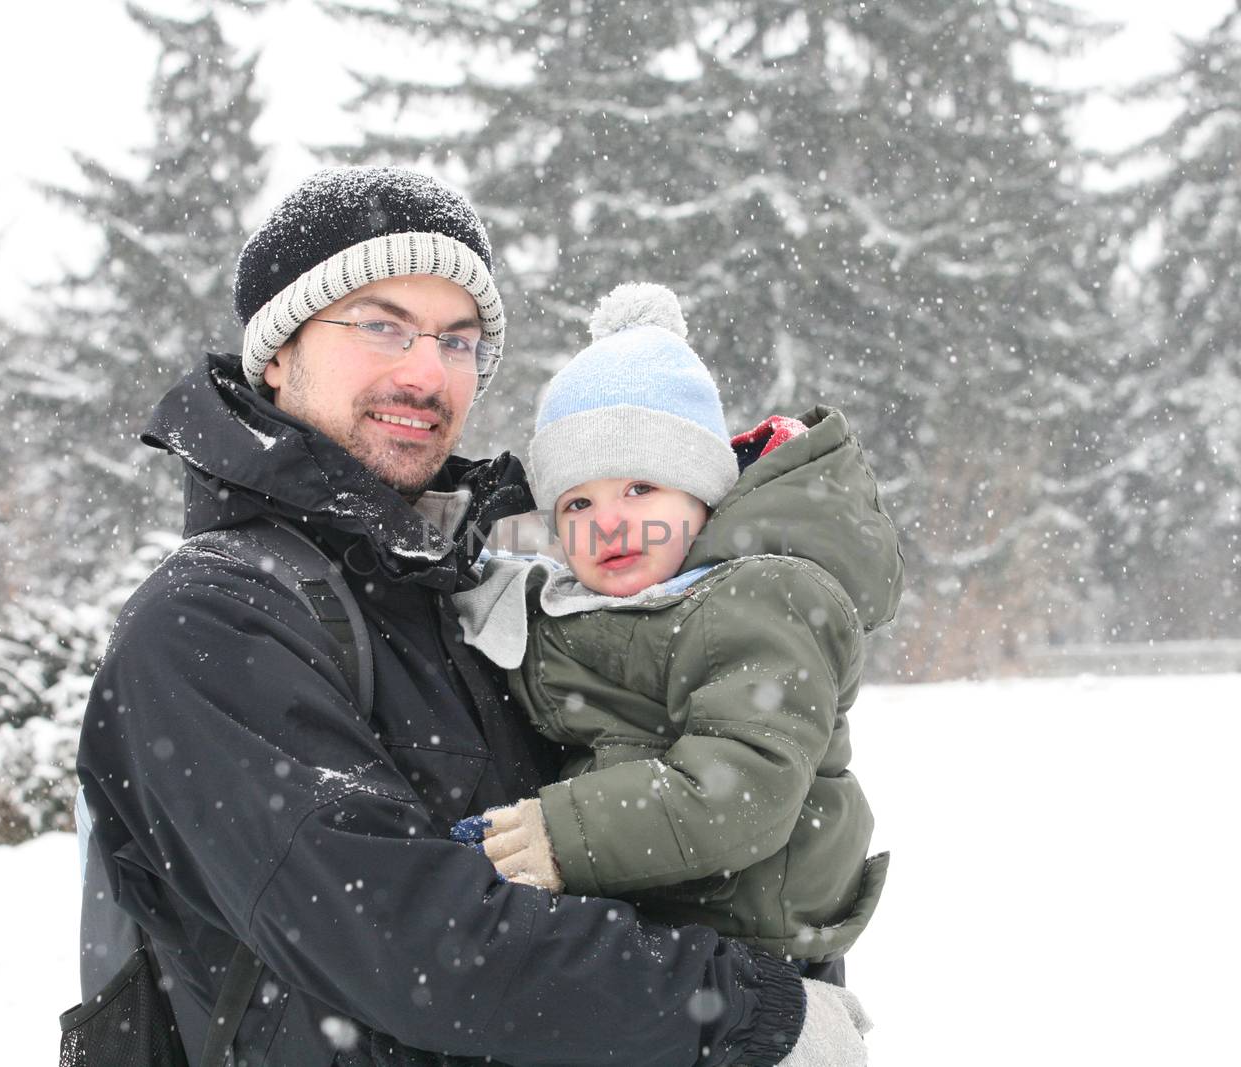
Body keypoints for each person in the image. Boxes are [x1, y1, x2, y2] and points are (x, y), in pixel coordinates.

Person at [73, 166, 870, 1066]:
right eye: (382, 325)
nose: (426, 372)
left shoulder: (483, 591)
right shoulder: (209, 623)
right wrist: (742, 1011)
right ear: (277, 352)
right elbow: (416, 943)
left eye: (457, 341)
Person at [448, 283, 900, 974]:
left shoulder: (760, 597)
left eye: (639, 489)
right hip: (671, 927)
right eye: (577, 502)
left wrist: (560, 835)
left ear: (702, 492)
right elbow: (557, 657)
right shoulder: (624, 602)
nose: (609, 522)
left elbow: (741, 788)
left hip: (751, 939)